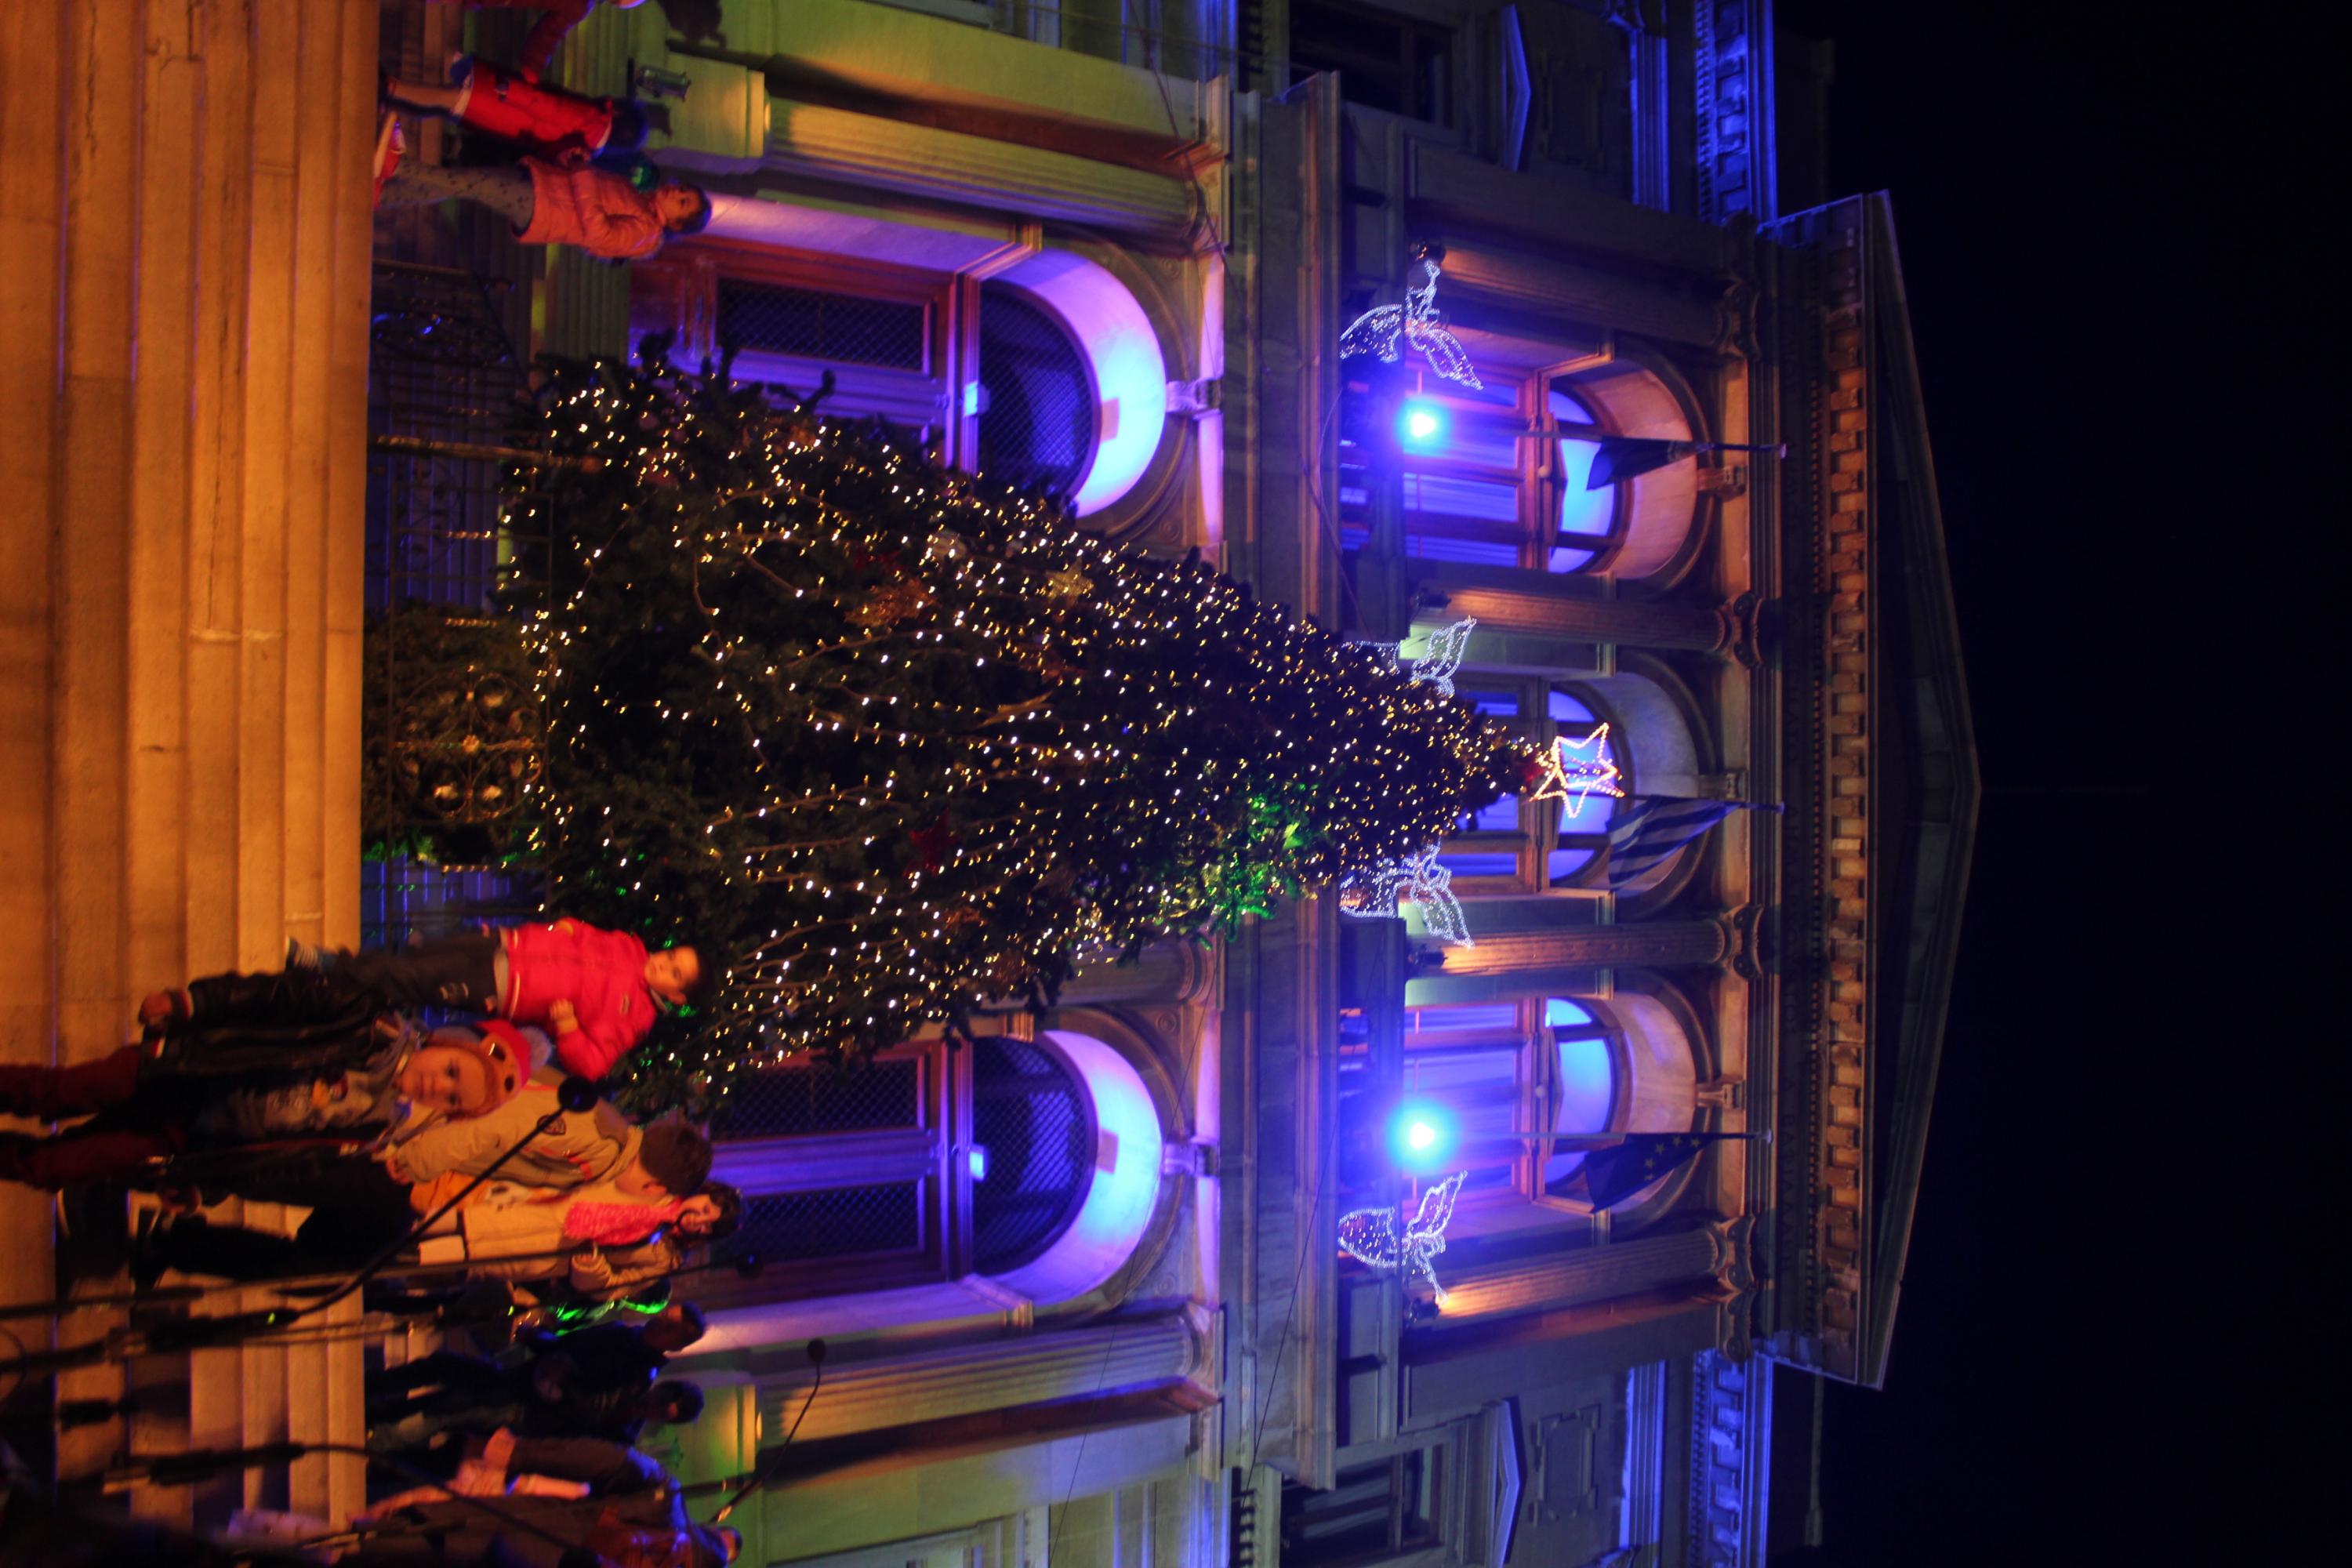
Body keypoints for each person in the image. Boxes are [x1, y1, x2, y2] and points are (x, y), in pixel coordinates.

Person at [0, 968, 524, 1193]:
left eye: (452, 1099)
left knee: (54, 1167)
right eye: (451, 1071)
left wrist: (206, 1185)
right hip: (187, 1070)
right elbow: (275, 996)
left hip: (193, 1134)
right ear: (445, 1045)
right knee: (54, 1093)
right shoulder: (367, 1020)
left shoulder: (375, 1130)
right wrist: (194, 1002)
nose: (438, 1087)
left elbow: (278, 1162)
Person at [292, 917, 716, 1080]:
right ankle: (331, 988)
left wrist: (568, 1028)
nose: (663, 964)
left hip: (500, 987)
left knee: (412, 979)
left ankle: (326, 969)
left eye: (674, 972)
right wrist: (567, 928)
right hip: (503, 944)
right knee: (412, 961)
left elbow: (592, 1064)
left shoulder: (635, 1018)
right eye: (671, 956)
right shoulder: (629, 946)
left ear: (677, 995)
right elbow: (587, 935)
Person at [347, 1428, 740, 1568]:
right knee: (373, 1551)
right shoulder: (661, 1500)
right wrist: (515, 1455)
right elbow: (603, 1459)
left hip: (496, 1540)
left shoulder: (664, 1502)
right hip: (489, 1536)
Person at [377, 154, 710, 263]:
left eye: (682, 202)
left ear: (676, 224)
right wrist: (574, 167)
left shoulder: (646, 233)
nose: (675, 192)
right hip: (543, 188)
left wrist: (581, 175)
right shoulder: (640, 200)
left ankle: (397, 164)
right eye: (683, 189)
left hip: (542, 206)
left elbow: (597, 233)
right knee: (465, 182)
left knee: (470, 181)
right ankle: (384, 194)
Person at [387, 55, 651, 165]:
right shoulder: (589, 149)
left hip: (509, 107)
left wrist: (513, 91)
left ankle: (390, 89)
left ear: (620, 114)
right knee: (446, 106)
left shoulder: (594, 120)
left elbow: (551, 108)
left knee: (447, 99)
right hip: (510, 125)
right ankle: (392, 96)